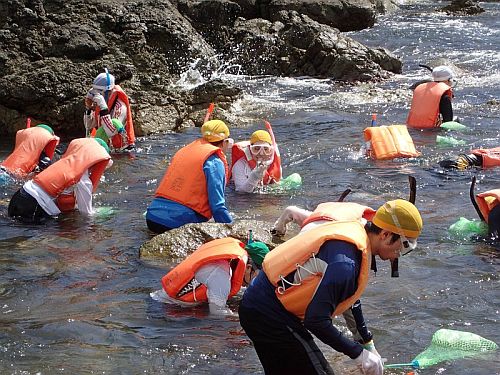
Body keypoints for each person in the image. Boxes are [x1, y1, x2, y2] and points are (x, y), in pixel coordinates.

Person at [239, 199, 423, 375]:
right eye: (403, 247)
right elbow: (316, 320)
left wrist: (367, 344)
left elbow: (347, 297)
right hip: (267, 313)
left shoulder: (356, 232)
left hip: (260, 301)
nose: (399, 255)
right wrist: (358, 355)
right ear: (385, 235)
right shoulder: (346, 264)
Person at [146, 120, 233, 233]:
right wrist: (232, 229)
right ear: (224, 142)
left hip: (152, 216)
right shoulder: (215, 162)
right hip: (178, 222)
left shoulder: (184, 151)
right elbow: (217, 207)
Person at [151, 237, 270, 315]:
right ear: (248, 268)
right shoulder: (221, 275)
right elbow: (217, 313)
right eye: (260, 277)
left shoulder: (227, 262)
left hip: (161, 299)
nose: (260, 282)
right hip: (167, 309)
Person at [8, 137, 112, 223]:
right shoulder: (83, 179)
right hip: (33, 206)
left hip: (20, 195)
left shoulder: (64, 164)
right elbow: (86, 215)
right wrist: (102, 214)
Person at [83, 69, 135, 151]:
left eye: (99, 91)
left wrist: (104, 108)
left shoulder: (120, 107)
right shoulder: (100, 102)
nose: (96, 94)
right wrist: (89, 109)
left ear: (109, 91)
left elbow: (111, 132)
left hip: (122, 151)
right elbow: (89, 126)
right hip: (107, 148)